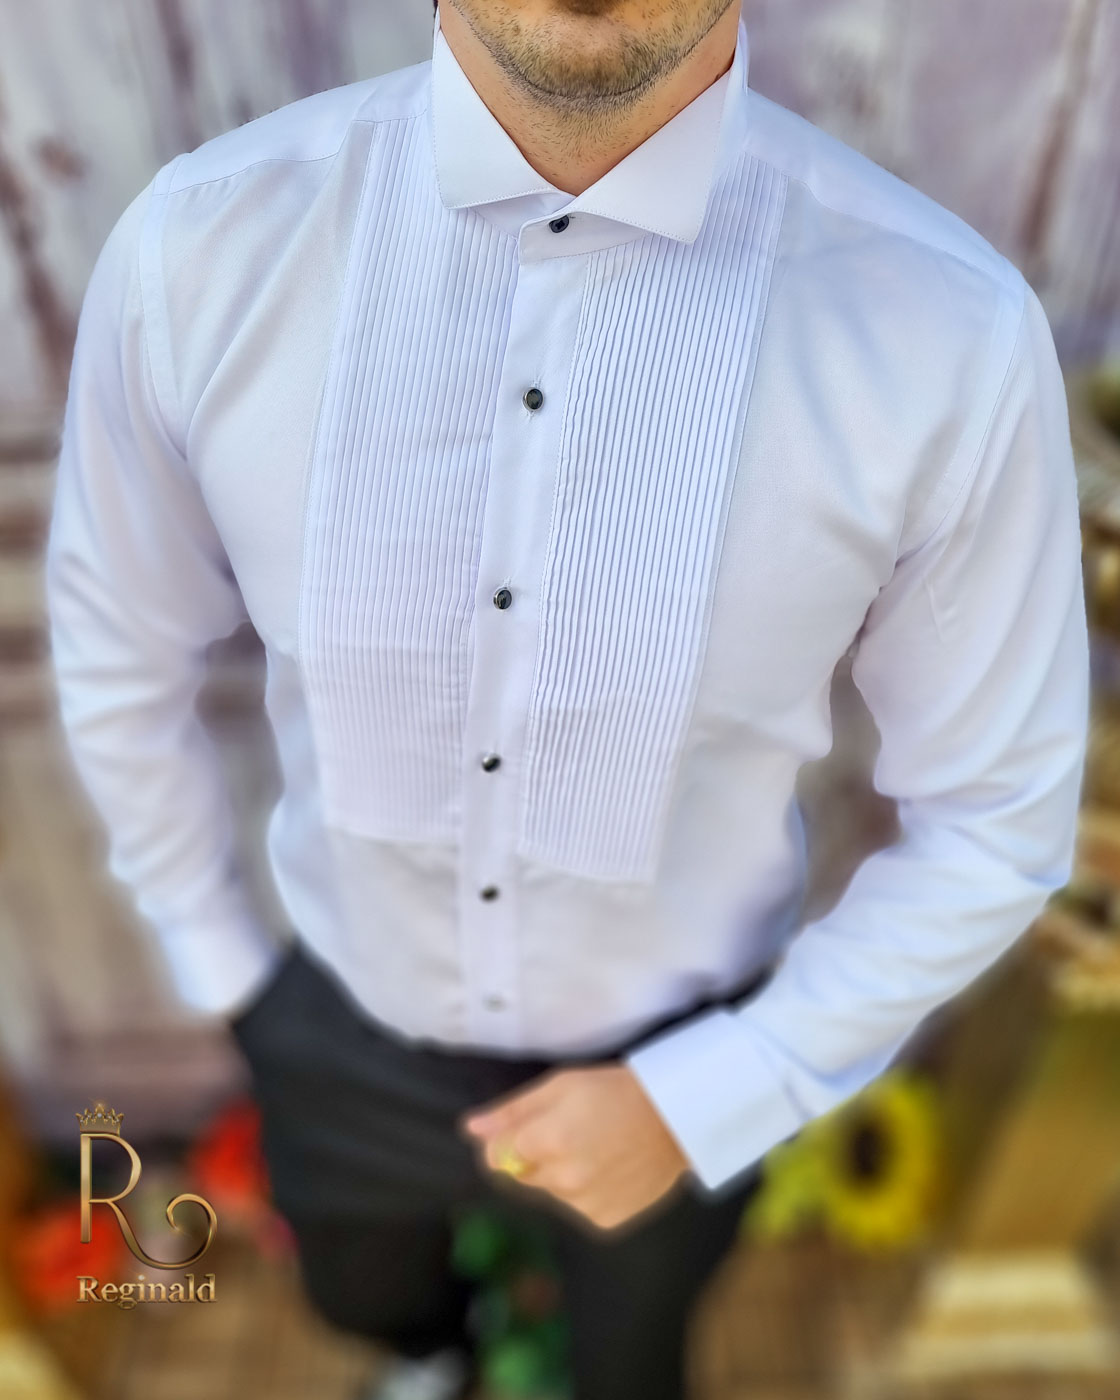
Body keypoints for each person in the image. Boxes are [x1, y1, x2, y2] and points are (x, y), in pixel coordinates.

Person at [44, 0, 1090, 1396]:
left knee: (633, 1361)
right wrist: (231, 974)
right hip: (340, 1021)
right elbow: (117, 646)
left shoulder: (948, 334)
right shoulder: (200, 247)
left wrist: (722, 1087)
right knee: (369, 1304)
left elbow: (998, 815)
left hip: (686, 1042)